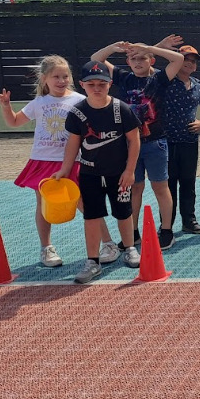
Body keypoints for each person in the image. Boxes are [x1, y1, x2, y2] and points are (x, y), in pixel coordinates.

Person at [0, 55, 120, 269]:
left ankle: (108, 244)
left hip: (74, 160)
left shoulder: (79, 100)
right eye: (56, 77)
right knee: (44, 204)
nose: (61, 81)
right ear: (45, 79)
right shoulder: (39, 103)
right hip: (43, 160)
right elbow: (14, 122)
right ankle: (46, 248)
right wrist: (6, 106)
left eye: (65, 76)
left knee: (87, 204)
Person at [89, 36, 184, 251]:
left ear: (151, 61)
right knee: (134, 188)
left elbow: (177, 59)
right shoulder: (124, 78)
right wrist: (113, 47)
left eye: (143, 58)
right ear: (128, 62)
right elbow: (95, 59)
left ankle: (166, 230)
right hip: (130, 145)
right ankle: (132, 233)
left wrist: (149, 47)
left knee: (160, 187)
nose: (138, 62)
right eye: (133, 59)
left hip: (155, 142)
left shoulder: (159, 79)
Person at [53, 61, 142, 284]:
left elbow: (134, 140)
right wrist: (65, 169)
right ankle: (93, 261)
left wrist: (130, 170)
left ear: (110, 84)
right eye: (91, 84)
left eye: (101, 84)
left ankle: (130, 248)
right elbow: (73, 143)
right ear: (82, 85)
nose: (96, 88)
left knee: (124, 212)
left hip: (118, 173)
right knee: (91, 216)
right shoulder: (77, 112)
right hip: (89, 174)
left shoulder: (122, 109)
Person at [164, 44, 200, 235]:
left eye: (193, 61)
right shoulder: (165, 81)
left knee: (188, 182)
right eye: (185, 59)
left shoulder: (197, 86)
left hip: (190, 141)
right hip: (167, 141)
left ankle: (189, 220)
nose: (189, 64)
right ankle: (166, 225)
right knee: (168, 184)